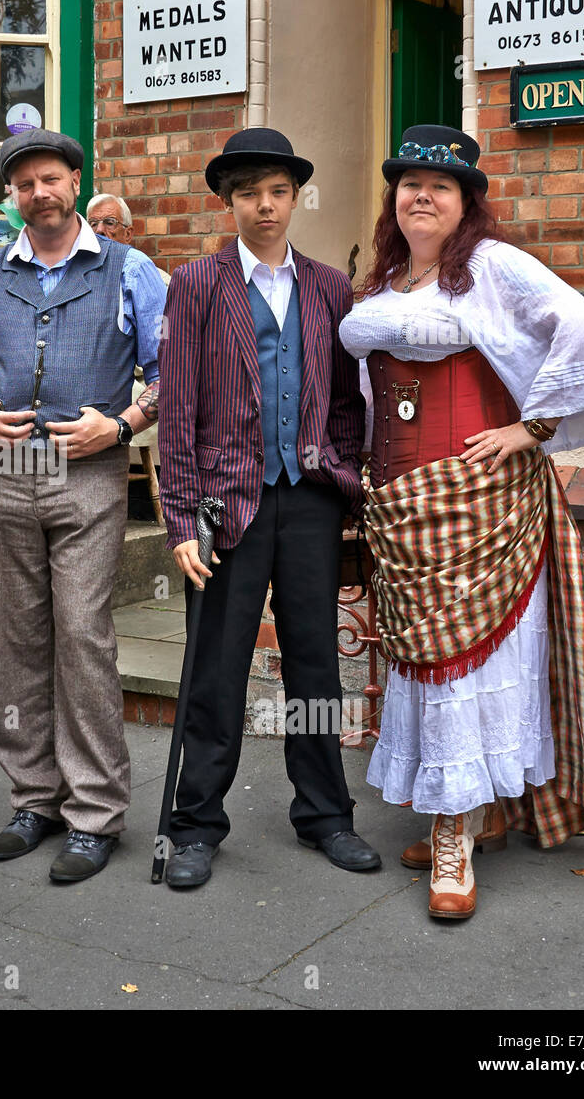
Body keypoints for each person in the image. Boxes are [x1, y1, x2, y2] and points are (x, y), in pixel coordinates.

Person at [340, 124, 584, 920]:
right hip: (404, 502)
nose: (422, 197)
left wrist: (529, 429)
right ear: (394, 199)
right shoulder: (389, 278)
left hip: (483, 503)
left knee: (461, 665)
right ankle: (480, 812)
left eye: (440, 187)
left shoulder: (495, 268)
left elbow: (578, 323)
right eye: (409, 185)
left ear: (468, 200)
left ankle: (452, 833)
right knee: (425, 659)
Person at [157, 127, 381, 889]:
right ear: (230, 202)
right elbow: (178, 409)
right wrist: (182, 520)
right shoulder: (195, 284)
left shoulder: (328, 288)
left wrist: (342, 473)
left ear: (294, 198)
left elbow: (349, 403)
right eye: (249, 192)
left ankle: (326, 813)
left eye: (278, 192)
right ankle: (194, 826)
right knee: (217, 671)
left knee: (316, 667)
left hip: (311, 504)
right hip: (227, 507)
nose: (265, 205)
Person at [0, 128, 166, 883]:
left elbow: (173, 373)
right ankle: (33, 798)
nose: (39, 193)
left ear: (76, 182)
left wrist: (125, 423)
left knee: (81, 635)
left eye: (51, 179)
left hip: (91, 476)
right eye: (24, 184)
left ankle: (95, 813)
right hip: (4, 472)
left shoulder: (131, 271)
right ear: (11, 197)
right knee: (12, 639)